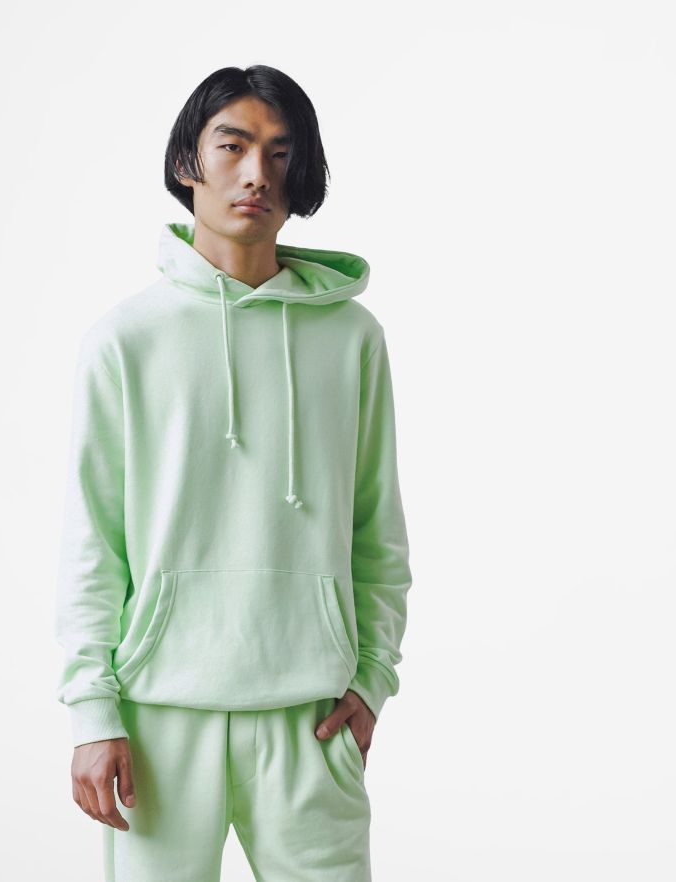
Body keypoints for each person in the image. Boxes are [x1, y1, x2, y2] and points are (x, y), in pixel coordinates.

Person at [54, 64, 413, 882]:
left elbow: (377, 527)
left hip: (310, 715)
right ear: (189, 161)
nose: (257, 174)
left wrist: (372, 680)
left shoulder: (352, 339)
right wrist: (91, 711)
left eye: (281, 153)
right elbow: (92, 541)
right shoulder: (125, 340)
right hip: (157, 714)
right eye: (233, 146)